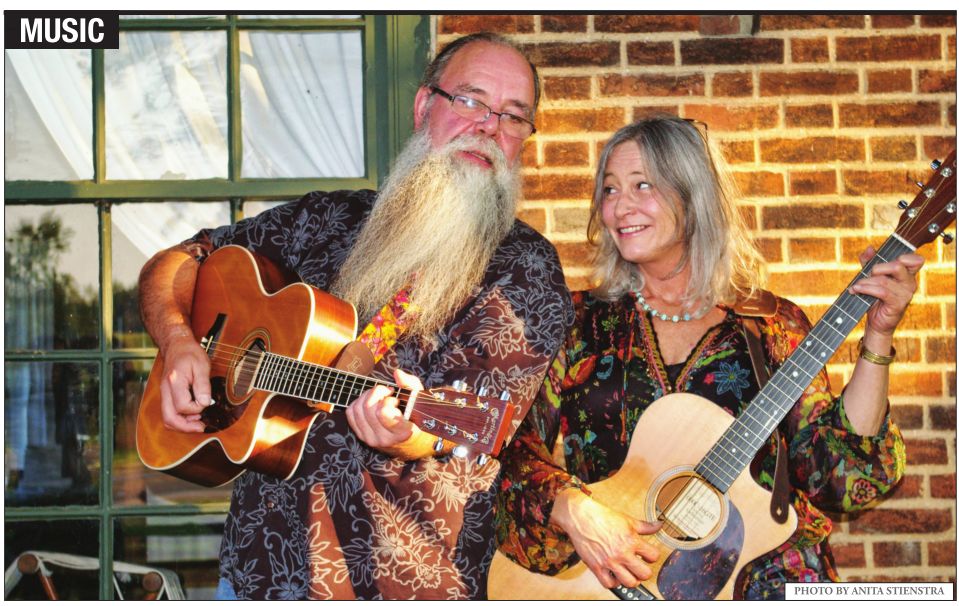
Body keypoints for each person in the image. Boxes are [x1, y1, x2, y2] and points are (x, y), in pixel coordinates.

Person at [138, 32, 573, 600]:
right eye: (471, 100)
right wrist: (179, 341)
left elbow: (471, 426)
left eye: (513, 116)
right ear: (425, 105)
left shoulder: (526, 270)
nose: (490, 127)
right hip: (256, 573)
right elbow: (181, 259)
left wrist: (409, 435)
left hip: (401, 581)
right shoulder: (329, 218)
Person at [494, 115, 920, 599]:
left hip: (762, 581)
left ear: (693, 195)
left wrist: (878, 336)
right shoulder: (577, 324)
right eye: (609, 190)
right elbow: (511, 449)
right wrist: (575, 510)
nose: (619, 207)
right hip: (615, 585)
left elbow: (839, 479)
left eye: (642, 185)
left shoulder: (770, 325)